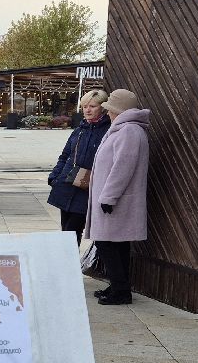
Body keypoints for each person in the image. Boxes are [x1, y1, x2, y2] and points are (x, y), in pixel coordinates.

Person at [86, 88, 150, 306]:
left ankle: (121, 291)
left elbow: (122, 167)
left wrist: (109, 197)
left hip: (116, 202)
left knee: (108, 244)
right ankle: (117, 286)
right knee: (115, 244)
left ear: (120, 111)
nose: (108, 113)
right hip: (114, 200)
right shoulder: (123, 129)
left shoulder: (129, 131)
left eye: (111, 110)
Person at [46, 90, 112, 238]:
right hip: (67, 184)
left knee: (73, 231)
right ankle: (69, 261)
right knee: (66, 233)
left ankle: (70, 261)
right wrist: (54, 177)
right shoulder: (79, 130)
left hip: (87, 189)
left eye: (92, 106)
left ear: (102, 107)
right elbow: (65, 156)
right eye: (85, 106)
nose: (88, 110)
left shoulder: (108, 131)